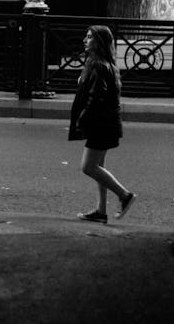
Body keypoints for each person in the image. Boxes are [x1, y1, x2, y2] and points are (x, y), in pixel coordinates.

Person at [68, 24, 136, 223]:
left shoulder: (97, 65)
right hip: (107, 123)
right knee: (99, 167)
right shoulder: (105, 63)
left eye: (89, 37)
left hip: (101, 124)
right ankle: (100, 211)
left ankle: (125, 196)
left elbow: (96, 97)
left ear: (99, 42)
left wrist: (82, 119)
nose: (84, 40)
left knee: (88, 167)